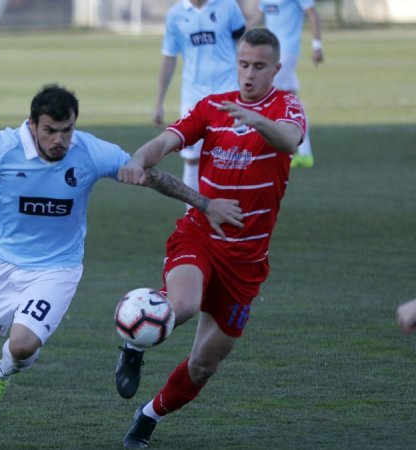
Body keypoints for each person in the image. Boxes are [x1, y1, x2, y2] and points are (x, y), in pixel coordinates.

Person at [0, 83, 242, 450]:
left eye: (67, 130)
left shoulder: (91, 152)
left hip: (56, 270)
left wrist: (204, 203)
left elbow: (152, 177)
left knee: (22, 345)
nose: (59, 140)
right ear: (32, 125)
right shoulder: (4, 146)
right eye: (50, 131)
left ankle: (2, 373)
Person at [115, 28, 307, 448]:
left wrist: (258, 120)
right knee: (183, 304)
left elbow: (289, 139)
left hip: (246, 262)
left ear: (276, 68)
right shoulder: (212, 107)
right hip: (200, 235)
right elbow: (166, 141)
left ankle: (148, 417)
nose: (249, 74)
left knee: (204, 365)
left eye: (259, 66)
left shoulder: (287, 108)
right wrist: (137, 159)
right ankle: (133, 344)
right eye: (243, 65)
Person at [154, 0, 246, 197]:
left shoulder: (228, 6)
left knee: (233, 158)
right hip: (193, 98)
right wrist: (159, 103)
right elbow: (169, 58)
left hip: (229, 94)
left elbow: (245, 46)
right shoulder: (175, 14)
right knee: (192, 159)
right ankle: (192, 212)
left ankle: (233, 208)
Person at [249, 0, 324, 169]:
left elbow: (313, 13)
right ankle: (305, 154)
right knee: (292, 101)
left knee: (264, 95)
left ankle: (263, 150)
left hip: (287, 51)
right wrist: (238, 33)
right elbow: (256, 17)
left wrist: (317, 46)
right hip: (271, 51)